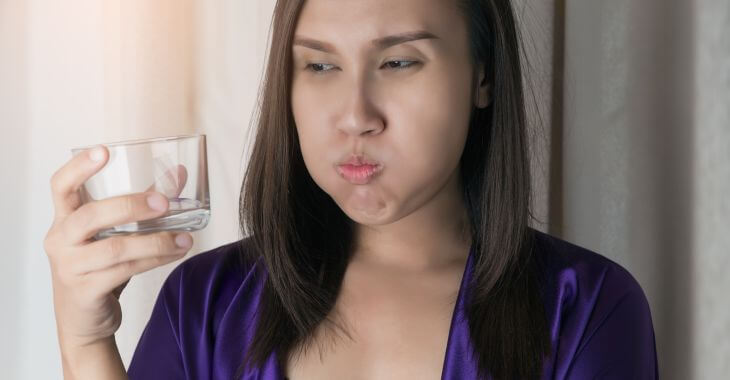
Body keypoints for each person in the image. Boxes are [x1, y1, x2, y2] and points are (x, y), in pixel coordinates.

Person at [44, 0, 659, 379]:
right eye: (320, 65)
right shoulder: (205, 304)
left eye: (398, 62)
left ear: (483, 75)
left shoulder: (584, 307)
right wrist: (86, 338)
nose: (355, 114)